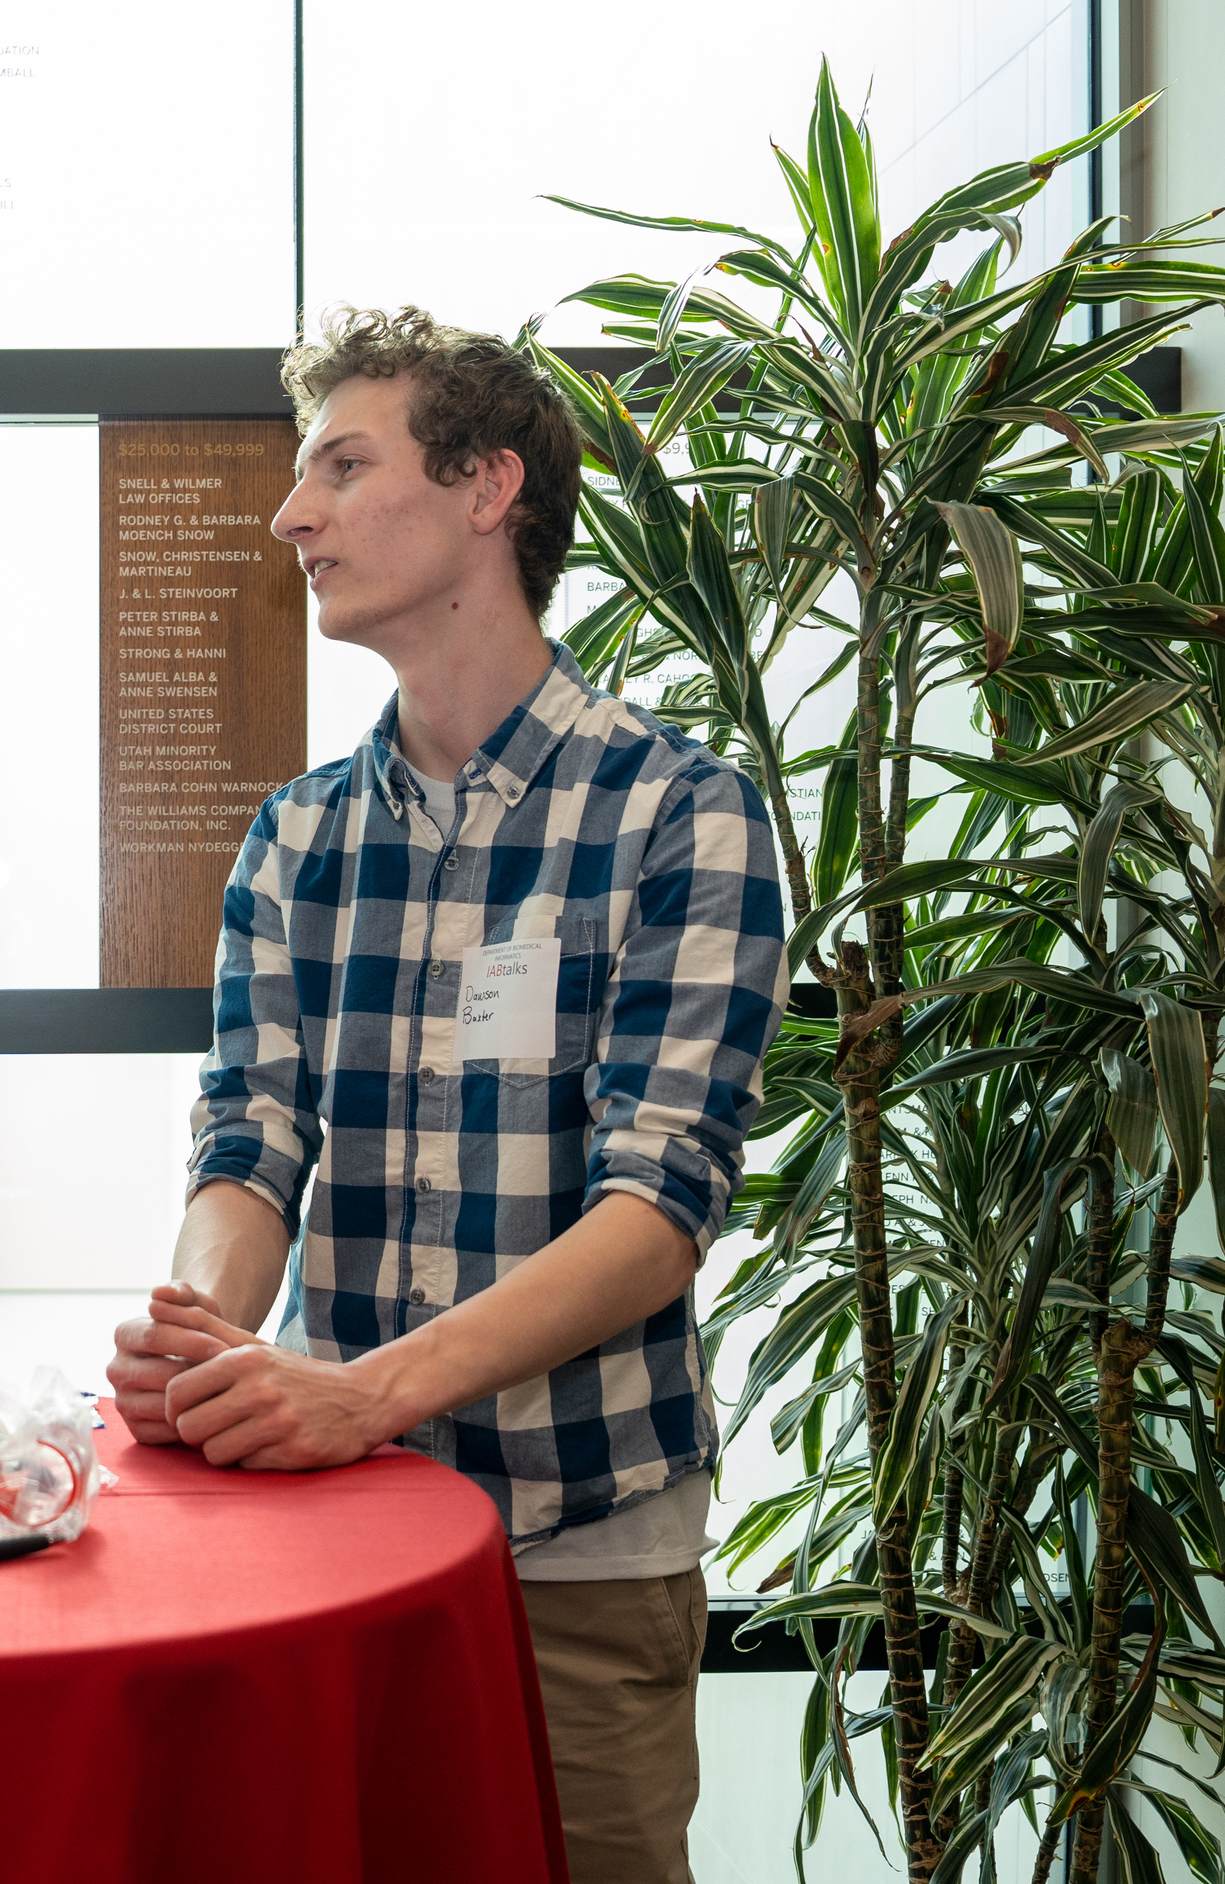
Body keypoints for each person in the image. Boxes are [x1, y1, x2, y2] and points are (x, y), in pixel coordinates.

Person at [106, 305, 780, 1884]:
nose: (294, 515)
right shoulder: (299, 836)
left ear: (488, 489)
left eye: (345, 465)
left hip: (577, 1552)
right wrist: (208, 1331)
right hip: (331, 1545)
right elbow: (250, 1138)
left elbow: (656, 1213)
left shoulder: (682, 815)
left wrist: (363, 1393)